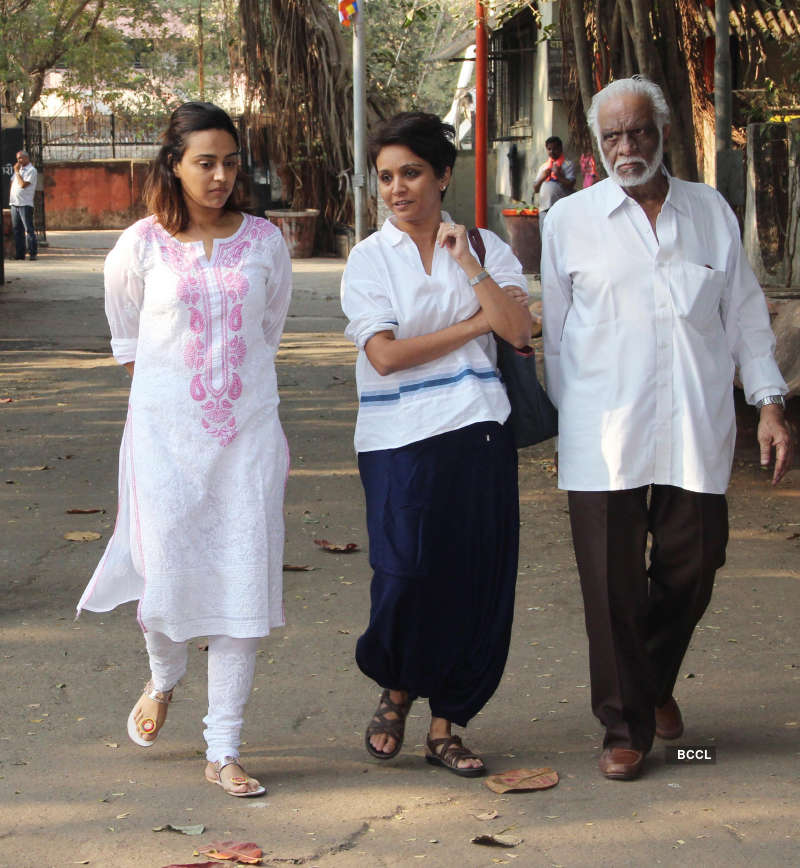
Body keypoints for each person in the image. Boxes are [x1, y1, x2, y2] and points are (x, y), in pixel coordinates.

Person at [541, 76, 793, 781]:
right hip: (603, 430)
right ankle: (626, 727)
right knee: (611, 586)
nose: (628, 147)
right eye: (613, 137)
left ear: (664, 132)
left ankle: (647, 683)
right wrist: (573, 420)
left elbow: (744, 314)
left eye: (639, 132)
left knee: (696, 562)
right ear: (598, 146)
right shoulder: (569, 222)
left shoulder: (710, 211)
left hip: (694, 422)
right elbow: (556, 334)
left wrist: (769, 404)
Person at [76, 102, 292, 797]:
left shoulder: (265, 242)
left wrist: (226, 407)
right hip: (164, 444)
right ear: (173, 164)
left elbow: (269, 330)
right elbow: (130, 347)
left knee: (242, 582)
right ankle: (165, 676)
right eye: (206, 162)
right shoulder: (137, 248)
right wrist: (176, 415)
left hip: (248, 440)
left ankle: (223, 746)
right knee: (163, 573)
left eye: (231, 162)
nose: (221, 175)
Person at [341, 112, 532, 777]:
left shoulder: (482, 245)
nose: (398, 189)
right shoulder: (368, 258)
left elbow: (516, 330)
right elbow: (386, 356)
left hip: (478, 428)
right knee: (403, 574)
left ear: (443, 175)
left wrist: (470, 267)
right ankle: (396, 686)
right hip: (396, 439)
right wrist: (472, 325)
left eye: (412, 173)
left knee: (477, 578)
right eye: (387, 177)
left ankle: (449, 722)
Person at [533, 136, 575, 220]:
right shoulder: (544, 167)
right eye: (549, 149)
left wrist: (558, 175)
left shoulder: (567, 165)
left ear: (560, 148)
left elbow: (571, 185)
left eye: (555, 149)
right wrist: (542, 178)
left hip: (561, 209)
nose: (552, 151)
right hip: (544, 208)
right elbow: (535, 189)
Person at [10, 150, 38, 261]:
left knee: (29, 229)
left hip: (25, 204)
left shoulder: (32, 170)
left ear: (27, 158)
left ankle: (32, 253)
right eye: (18, 158)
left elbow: (23, 185)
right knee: (17, 230)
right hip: (14, 203)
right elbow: (13, 183)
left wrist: (17, 172)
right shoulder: (19, 170)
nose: (19, 161)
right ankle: (20, 254)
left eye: (21, 158)